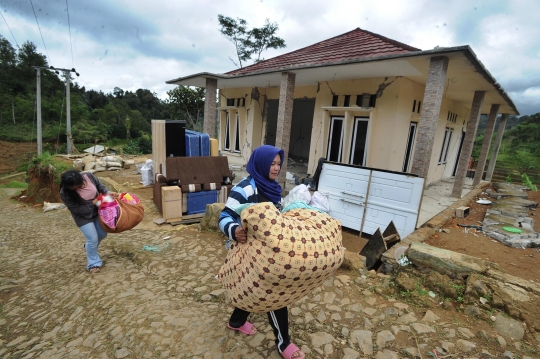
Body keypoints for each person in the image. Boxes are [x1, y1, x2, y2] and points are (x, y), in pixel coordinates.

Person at [218, 145, 305, 359]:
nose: (276, 168)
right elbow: (224, 217)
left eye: (278, 164)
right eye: (272, 164)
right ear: (261, 164)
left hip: (266, 251)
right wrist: (235, 230)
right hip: (247, 251)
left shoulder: (273, 187)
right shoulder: (245, 188)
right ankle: (284, 343)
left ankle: (236, 322)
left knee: (252, 288)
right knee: (274, 292)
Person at [60, 169, 117, 273]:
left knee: (102, 234)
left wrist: (107, 193)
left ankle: (89, 247)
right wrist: (92, 203)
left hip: (97, 211)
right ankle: (93, 263)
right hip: (82, 216)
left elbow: (99, 185)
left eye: (78, 186)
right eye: (73, 188)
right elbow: (76, 209)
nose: (76, 189)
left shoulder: (88, 176)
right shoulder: (65, 192)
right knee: (92, 238)